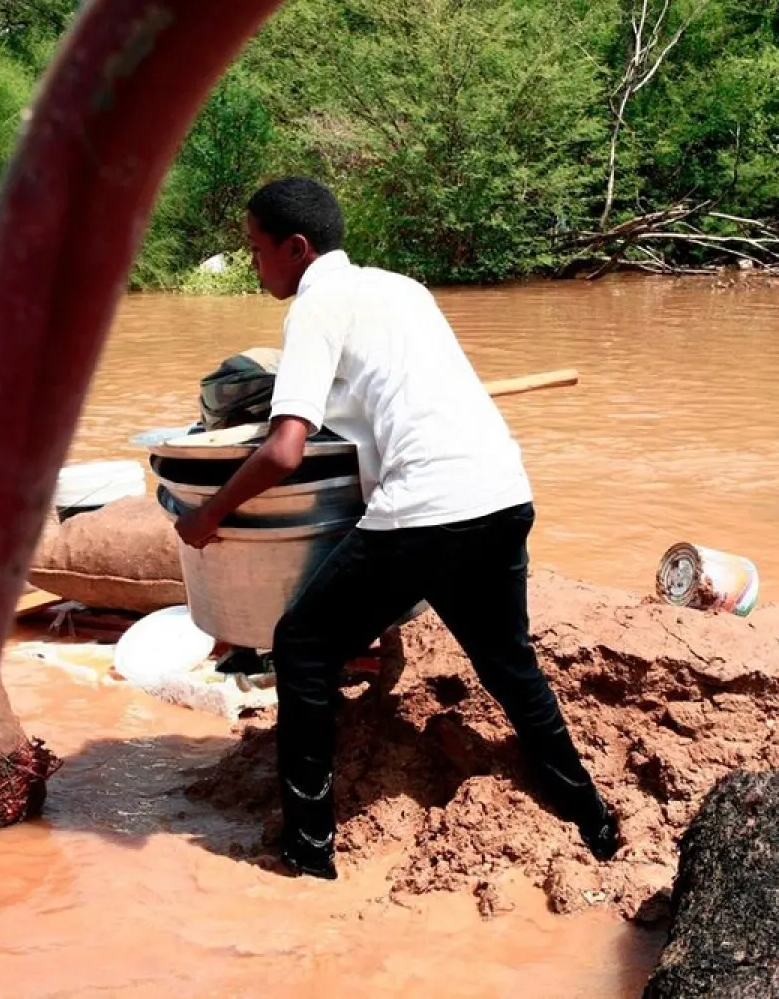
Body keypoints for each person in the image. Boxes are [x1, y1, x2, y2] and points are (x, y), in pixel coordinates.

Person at [174, 177, 621, 880]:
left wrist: (209, 513)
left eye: (257, 251)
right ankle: (594, 820)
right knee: (509, 661)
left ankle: (308, 850)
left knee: (302, 643)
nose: (254, 264)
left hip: (429, 509)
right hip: (503, 491)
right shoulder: (401, 289)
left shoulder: (316, 306)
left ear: (297, 248)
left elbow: (286, 447)